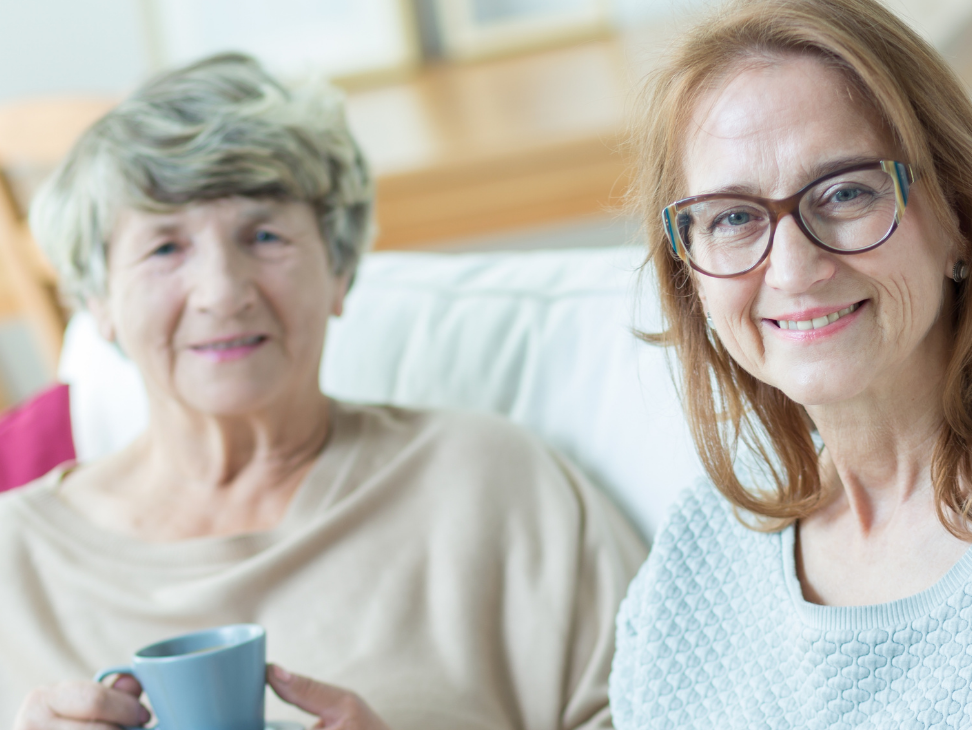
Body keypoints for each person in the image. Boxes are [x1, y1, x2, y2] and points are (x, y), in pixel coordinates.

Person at [2, 54, 647, 730]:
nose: (223, 292)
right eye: (166, 247)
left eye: (264, 235)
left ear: (339, 268)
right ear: (97, 299)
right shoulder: (14, 563)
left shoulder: (496, 487)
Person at [609, 0, 972, 726]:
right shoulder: (700, 547)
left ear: (959, 216)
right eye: (734, 217)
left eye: (846, 193)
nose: (795, 269)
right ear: (692, 277)